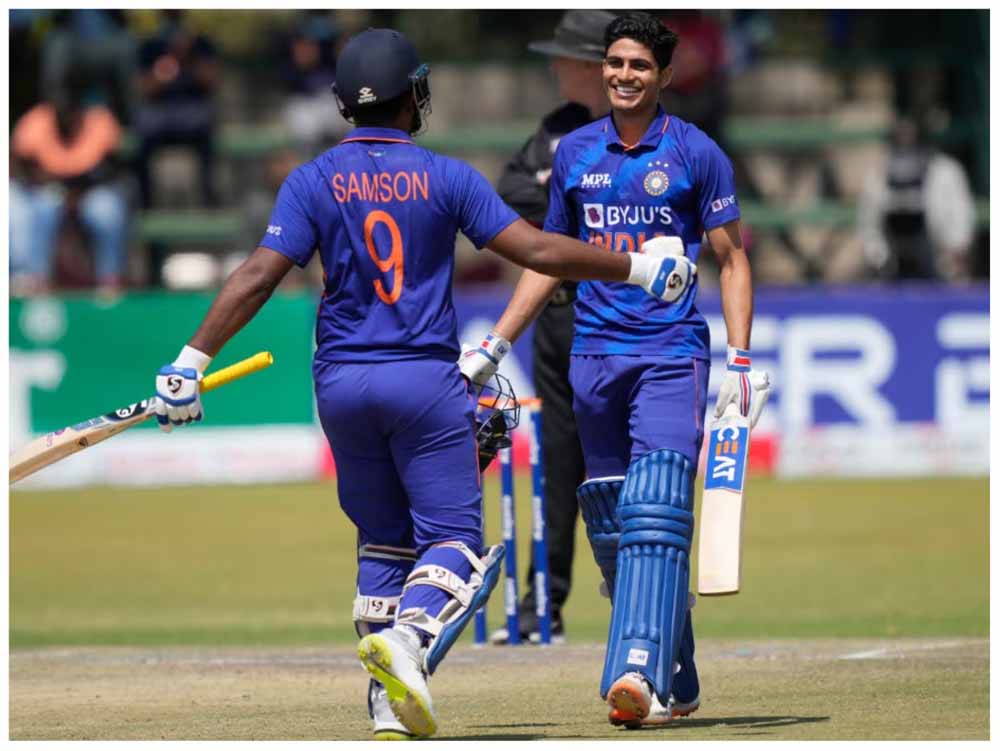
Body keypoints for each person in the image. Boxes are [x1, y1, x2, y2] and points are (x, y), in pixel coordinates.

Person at [150, 27, 696, 740]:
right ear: (414, 96)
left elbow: (258, 275)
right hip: (421, 380)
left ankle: (388, 703)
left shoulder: (312, 180)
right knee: (456, 546)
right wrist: (637, 266)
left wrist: (190, 361)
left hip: (340, 385)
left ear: (344, 104)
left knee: (383, 540)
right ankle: (408, 642)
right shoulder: (446, 176)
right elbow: (536, 249)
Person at [460, 14, 770, 728]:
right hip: (593, 357)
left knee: (655, 508)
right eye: (615, 63)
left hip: (669, 353)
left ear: (664, 75)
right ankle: (679, 670)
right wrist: (496, 344)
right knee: (611, 518)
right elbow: (550, 257)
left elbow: (732, 258)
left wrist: (740, 360)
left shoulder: (695, 151)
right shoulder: (575, 151)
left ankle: (636, 673)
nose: (624, 75)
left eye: (639, 65)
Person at [490, 9, 616, 646]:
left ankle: (640, 594)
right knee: (558, 462)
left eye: (566, 57)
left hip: (618, 315)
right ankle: (544, 600)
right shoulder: (554, 129)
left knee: (621, 462)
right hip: (558, 313)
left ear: (595, 66)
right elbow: (512, 194)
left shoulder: (636, 130)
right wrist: (570, 201)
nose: (555, 67)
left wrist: (568, 204)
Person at [10, 73, 130, 296]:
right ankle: (36, 280)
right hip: (49, 192)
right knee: (41, 208)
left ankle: (110, 280)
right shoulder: (36, 120)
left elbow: (114, 168)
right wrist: (50, 186)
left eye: (72, 108)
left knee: (107, 210)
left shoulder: (100, 120)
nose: (67, 114)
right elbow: (20, 166)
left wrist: (78, 193)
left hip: (91, 192)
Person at [857, 116, 976, 281]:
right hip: (892, 264)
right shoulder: (879, 173)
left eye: (910, 137)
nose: (905, 143)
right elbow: (868, 222)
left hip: (938, 260)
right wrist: (879, 257)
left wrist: (954, 251)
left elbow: (961, 216)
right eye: (900, 137)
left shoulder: (946, 171)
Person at [134, 10, 221, 209]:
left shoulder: (201, 44)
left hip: (193, 111)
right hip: (159, 112)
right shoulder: (151, 45)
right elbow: (145, 89)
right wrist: (164, 70)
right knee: (143, 128)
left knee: (205, 123)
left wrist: (187, 58)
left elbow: (211, 82)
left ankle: (209, 199)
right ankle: (146, 202)